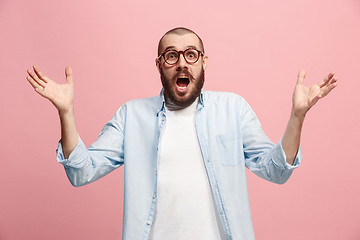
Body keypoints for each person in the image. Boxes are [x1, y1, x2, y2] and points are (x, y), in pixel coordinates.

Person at [26, 27, 338, 240]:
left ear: (204, 62)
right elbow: (82, 172)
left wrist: (297, 116)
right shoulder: (131, 115)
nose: (181, 63)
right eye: (171, 56)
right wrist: (65, 113)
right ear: (159, 64)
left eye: (191, 55)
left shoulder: (233, 109)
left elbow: (276, 171)